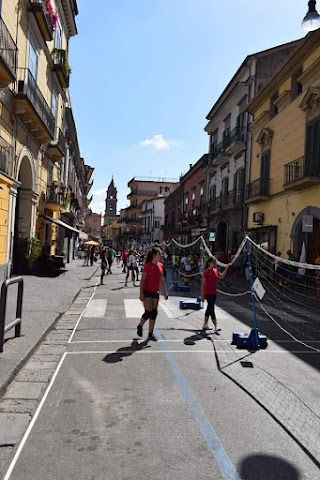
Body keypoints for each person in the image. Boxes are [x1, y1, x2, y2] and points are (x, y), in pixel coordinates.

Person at [136, 247, 168, 341]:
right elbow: (142, 281)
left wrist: (165, 292)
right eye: (159, 254)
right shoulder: (148, 266)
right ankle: (140, 325)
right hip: (147, 291)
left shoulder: (160, 266)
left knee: (154, 313)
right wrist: (141, 293)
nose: (161, 256)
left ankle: (150, 333)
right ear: (154, 256)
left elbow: (161, 279)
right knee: (148, 312)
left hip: (155, 291)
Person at [201, 257, 230, 332]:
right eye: (213, 263)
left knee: (209, 308)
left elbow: (222, 276)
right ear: (209, 263)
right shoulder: (206, 272)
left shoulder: (216, 270)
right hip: (208, 293)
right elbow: (203, 285)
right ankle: (216, 325)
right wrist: (203, 296)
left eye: (215, 263)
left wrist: (226, 268)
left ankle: (205, 324)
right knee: (211, 308)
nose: (214, 264)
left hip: (214, 293)